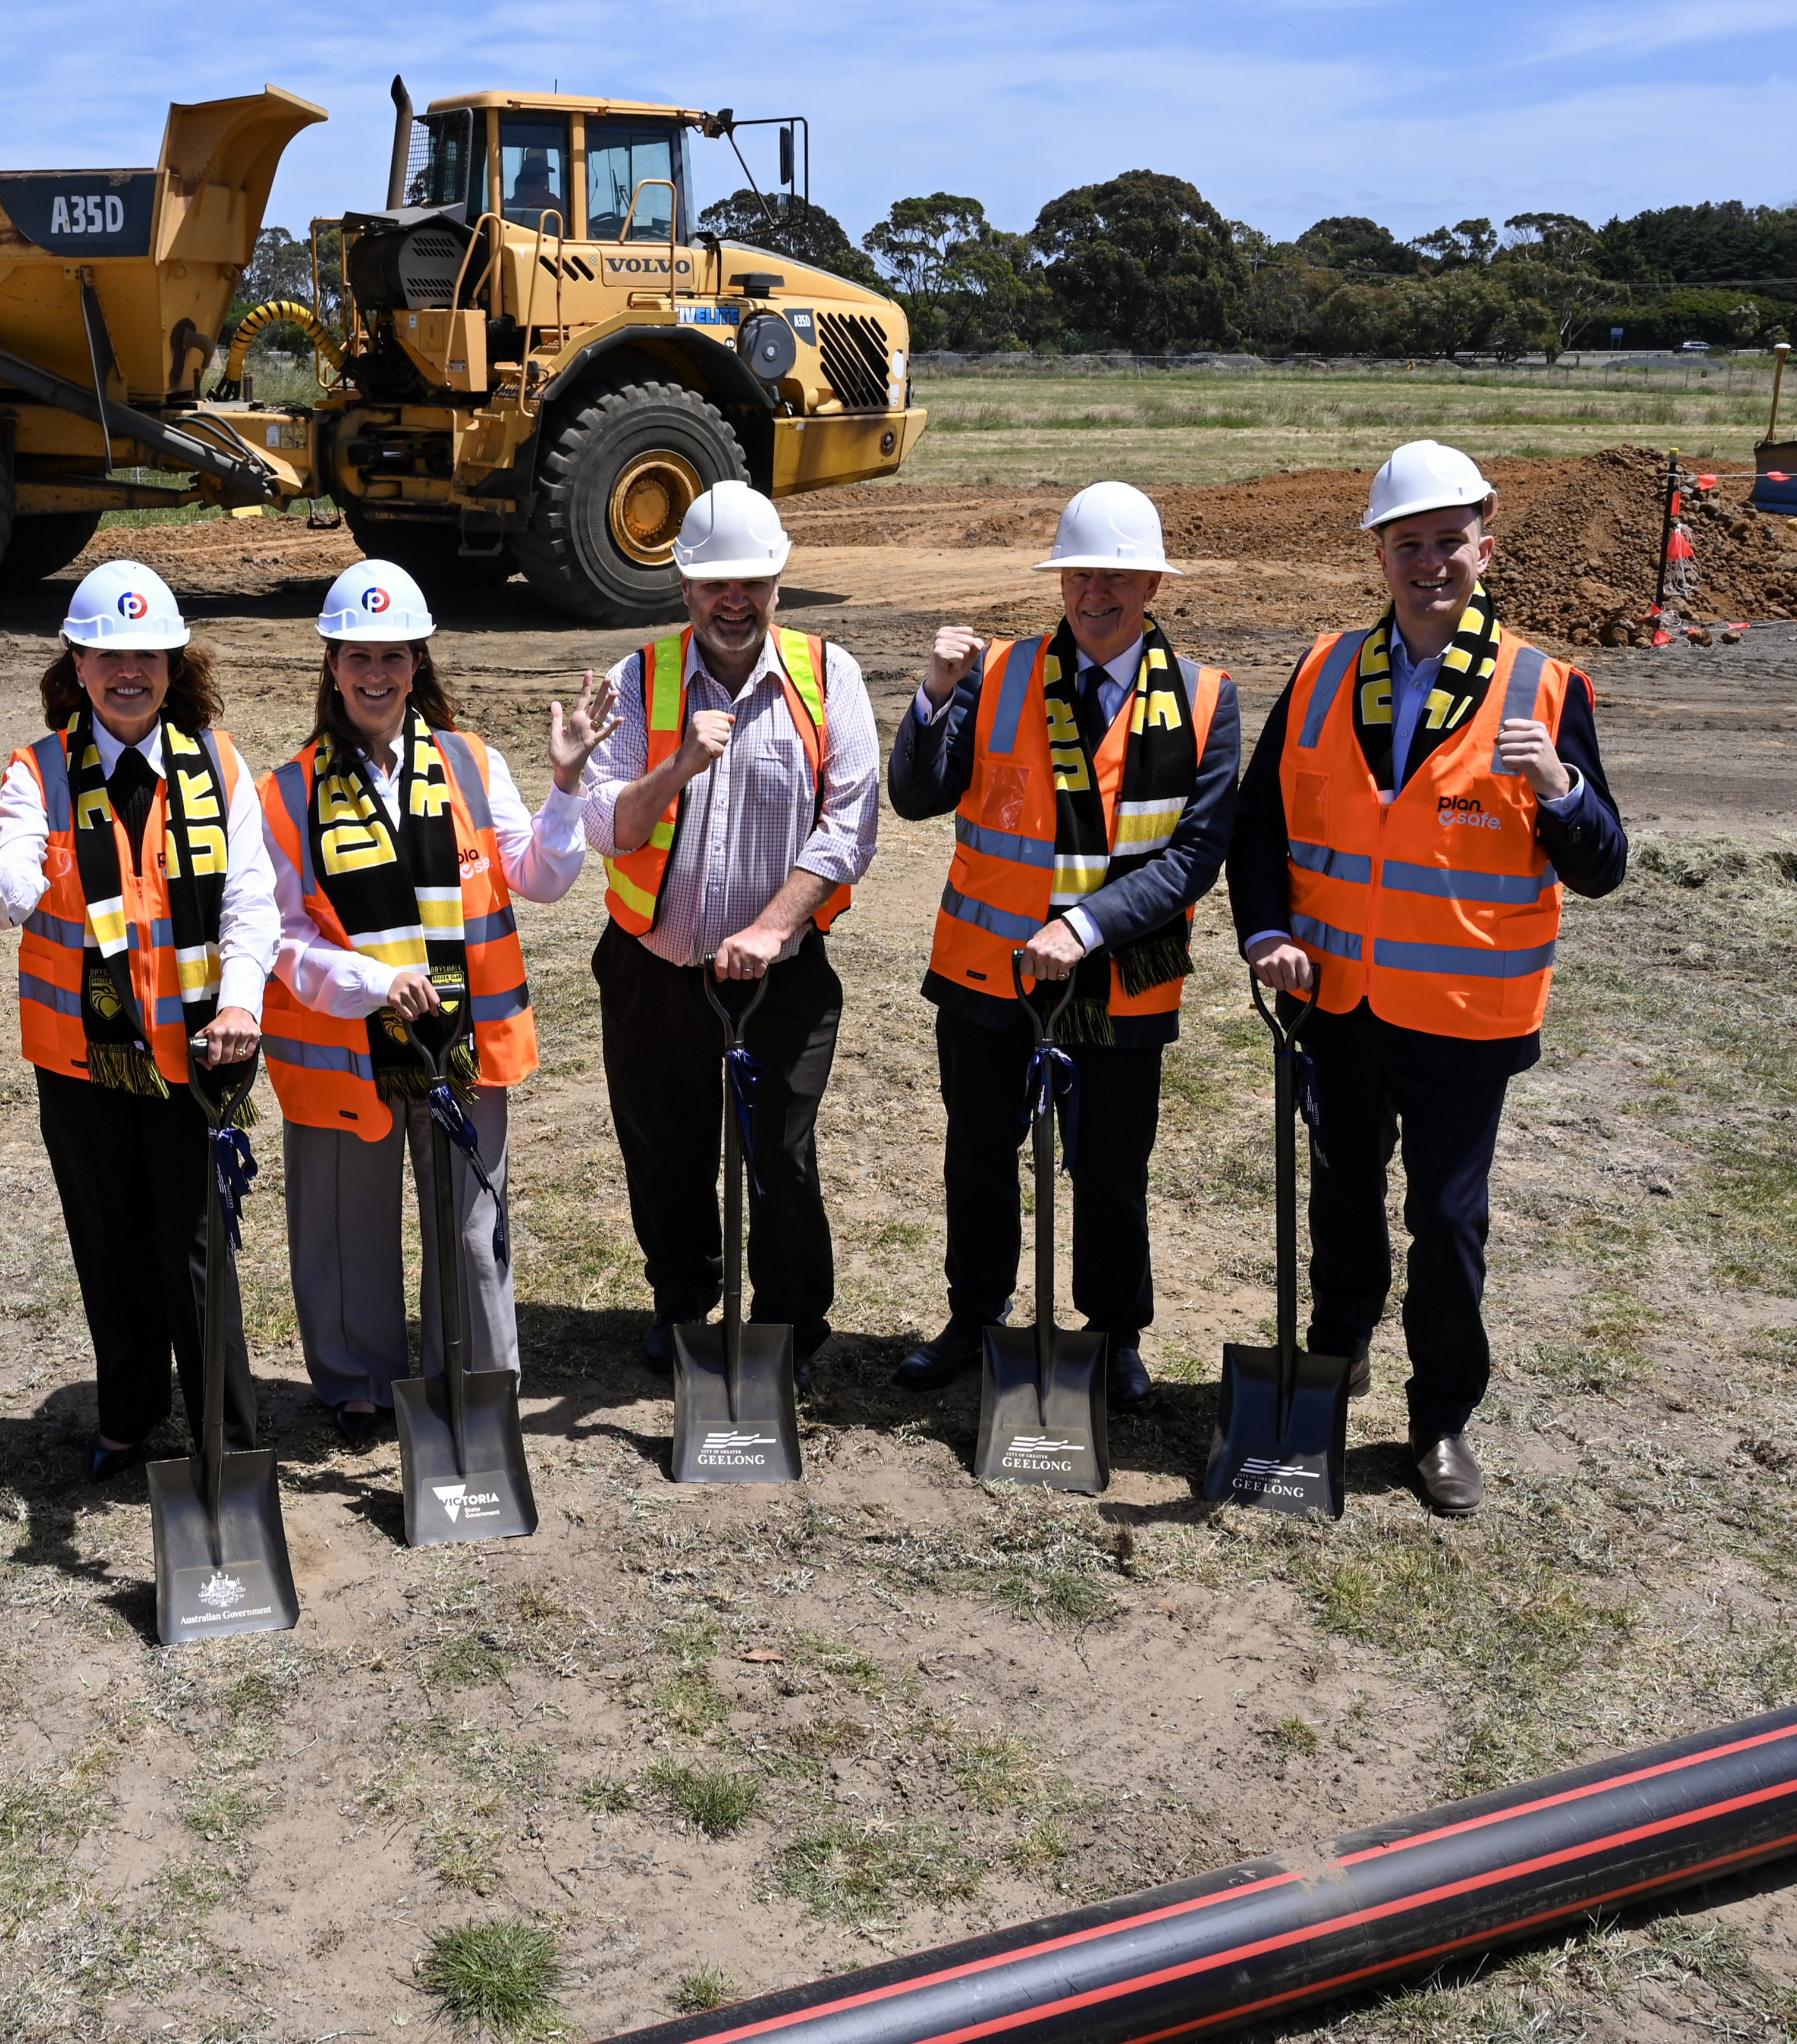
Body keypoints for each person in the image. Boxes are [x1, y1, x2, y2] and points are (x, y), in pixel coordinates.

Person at [1229, 440, 1628, 1514]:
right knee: (1343, 1198)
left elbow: (1603, 866)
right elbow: (1259, 825)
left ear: (1484, 550)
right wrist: (1264, 928)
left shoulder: (1542, 686)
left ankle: (1442, 1418)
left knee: (1448, 1226)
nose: (1429, 563)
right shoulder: (1322, 673)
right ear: (1379, 555)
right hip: (1339, 1005)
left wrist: (1561, 787)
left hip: (1465, 1018)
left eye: (1450, 542)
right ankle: (1334, 1360)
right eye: (1409, 544)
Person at [887, 482, 1241, 1408]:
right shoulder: (998, 675)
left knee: (1114, 1166)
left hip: (1121, 977)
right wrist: (932, 695)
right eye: (1081, 573)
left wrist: (1082, 928)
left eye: (1118, 575)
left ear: (1154, 584)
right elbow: (919, 795)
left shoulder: (1208, 701)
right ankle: (975, 1315)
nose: (1096, 592)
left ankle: (1115, 1331)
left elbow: (1196, 857)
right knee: (978, 1152)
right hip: (984, 972)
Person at [0, 563, 277, 1481]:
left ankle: (225, 1440)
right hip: (84, 1067)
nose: (130, 671)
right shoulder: (36, 772)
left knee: (198, 1251)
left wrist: (242, 997)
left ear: (173, 663)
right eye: (108, 654)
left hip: (200, 1055)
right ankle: (127, 1417)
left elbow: (251, 897)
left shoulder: (222, 762)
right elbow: (10, 894)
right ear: (77, 663)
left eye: (148, 654)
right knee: (110, 1242)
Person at [258, 560, 611, 1442]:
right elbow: (282, 935)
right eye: (358, 656)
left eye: (394, 656)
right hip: (345, 1050)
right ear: (332, 666)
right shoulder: (286, 790)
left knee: (472, 1227)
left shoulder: (469, 759)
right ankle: (358, 1386)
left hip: (465, 1047)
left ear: (419, 665)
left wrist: (566, 785)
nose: (376, 674)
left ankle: (474, 1382)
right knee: (346, 1229)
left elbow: (540, 875)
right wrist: (375, 983)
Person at [580, 482, 881, 1376]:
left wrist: (773, 925)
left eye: (751, 582)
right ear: (684, 589)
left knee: (779, 1153)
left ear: (780, 582)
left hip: (781, 974)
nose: (734, 601)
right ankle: (683, 1303)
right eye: (715, 584)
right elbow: (608, 825)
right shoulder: (638, 680)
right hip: (654, 969)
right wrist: (680, 764)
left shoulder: (831, 677)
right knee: (665, 1151)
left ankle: (787, 1325)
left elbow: (850, 827)